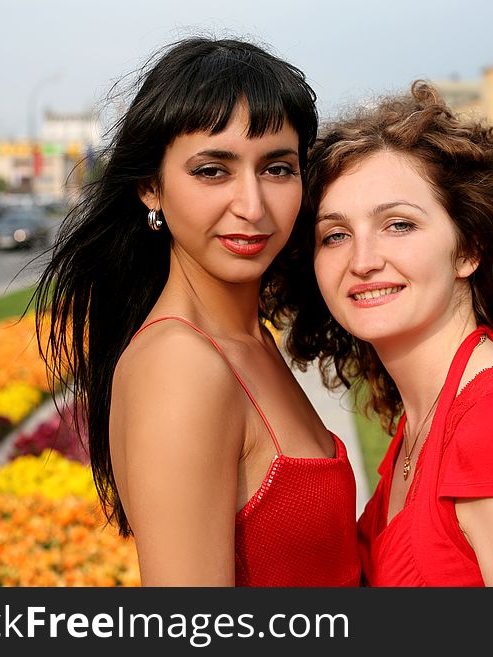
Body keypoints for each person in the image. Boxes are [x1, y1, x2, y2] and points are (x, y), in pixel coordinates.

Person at [33, 37, 360, 587]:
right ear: (149, 188)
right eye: (213, 170)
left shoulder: (247, 340)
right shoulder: (182, 366)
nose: (252, 206)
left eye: (278, 168)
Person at [272, 80, 493, 586]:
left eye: (399, 225)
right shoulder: (424, 421)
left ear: (468, 249)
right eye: (336, 235)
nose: (362, 261)